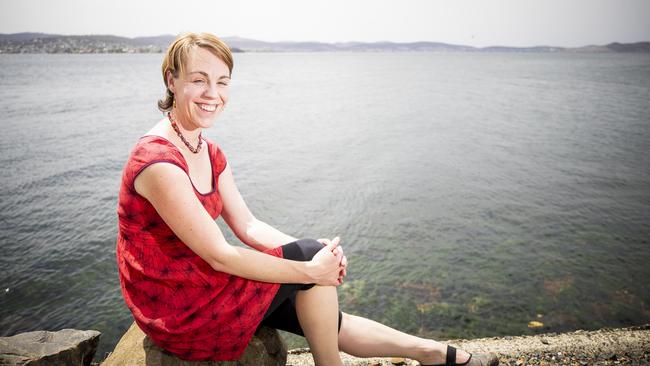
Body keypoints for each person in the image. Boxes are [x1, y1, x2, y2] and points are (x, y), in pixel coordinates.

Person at [115, 32, 499, 366]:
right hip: (181, 307)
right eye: (199, 81)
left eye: (223, 82)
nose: (213, 94)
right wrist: (309, 269)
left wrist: (320, 260)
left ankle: (433, 352)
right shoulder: (157, 162)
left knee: (323, 309)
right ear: (172, 80)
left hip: (207, 283)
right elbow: (220, 253)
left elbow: (248, 225)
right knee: (309, 275)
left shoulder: (208, 150)